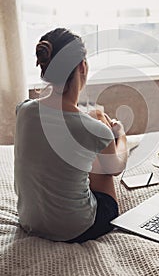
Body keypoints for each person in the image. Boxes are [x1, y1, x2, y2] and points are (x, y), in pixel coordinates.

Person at [14, 27, 128, 243]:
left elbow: (61, 125)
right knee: (102, 164)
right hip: (77, 229)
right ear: (82, 66)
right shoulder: (95, 131)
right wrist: (120, 135)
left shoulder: (23, 110)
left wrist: (94, 120)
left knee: (84, 143)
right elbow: (116, 168)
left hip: (30, 221)